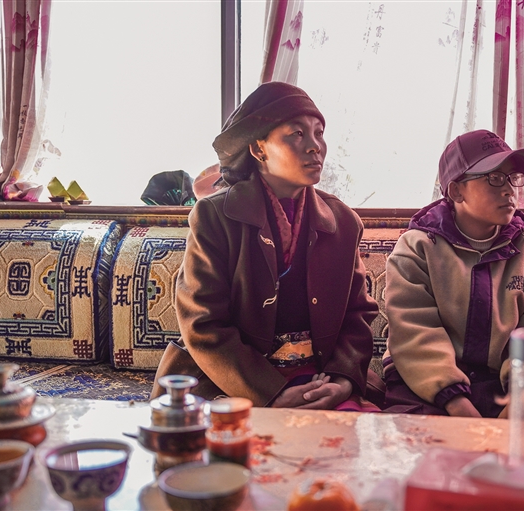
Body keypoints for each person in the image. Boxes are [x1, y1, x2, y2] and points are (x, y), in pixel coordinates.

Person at [151, 81, 379, 411]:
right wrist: (271, 394)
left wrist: (343, 380)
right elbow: (203, 323)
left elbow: (358, 314)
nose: (315, 146)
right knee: (223, 438)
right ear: (259, 150)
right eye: (297, 134)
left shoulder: (343, 222)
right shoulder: (214, 216)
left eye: (318, 133)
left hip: (320, 379)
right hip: (234, 382)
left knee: (355, 435)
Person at [381, 129, 524, 418]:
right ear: (456, 191)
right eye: (494, 178)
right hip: (423, 384)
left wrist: (517, 403)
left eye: (512, 178)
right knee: (415, 440)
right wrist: (457, 404)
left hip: (507, 389)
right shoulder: (417, 249)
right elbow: (414, 331)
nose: (509, 190)